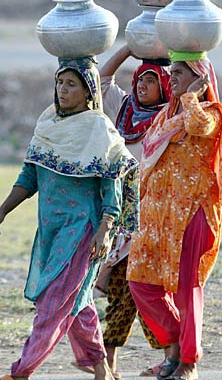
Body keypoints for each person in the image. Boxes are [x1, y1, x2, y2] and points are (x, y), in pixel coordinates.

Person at [0, 57, 139, 380]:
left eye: (72, 84)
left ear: (88, 91)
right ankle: (101, 368)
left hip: (83, 231)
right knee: (76, 301)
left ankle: (21, 372)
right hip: (52, 231)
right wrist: (2, 210)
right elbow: (30, 176)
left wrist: (105, 228)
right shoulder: (48, 124)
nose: (63, 90)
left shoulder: (98, 128)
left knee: (52, 303)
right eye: (60, 83)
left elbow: (110, 180)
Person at [127, 51, 222, 380]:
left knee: (185, 288)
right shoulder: (165, 117)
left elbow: (198, 126)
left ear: (200, 78)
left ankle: (188, 362)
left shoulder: (211, 113)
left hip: (192, 215)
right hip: (157, 220)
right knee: (140, 283)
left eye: (180, 72)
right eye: (171, 72)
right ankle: (175, 343)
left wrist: (193, 97)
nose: (171, 78)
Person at [80, 44, 171, 378]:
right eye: (139, 80)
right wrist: (129, 50)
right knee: (121, 289)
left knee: (147, 291)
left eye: (151, 80)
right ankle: (116, 362)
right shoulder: (123, 110)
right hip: (122, 215)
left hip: (153, 217)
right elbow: (101, 80)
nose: (143, 86)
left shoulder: (169, 115)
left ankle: (171, 354)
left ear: (164, 85)